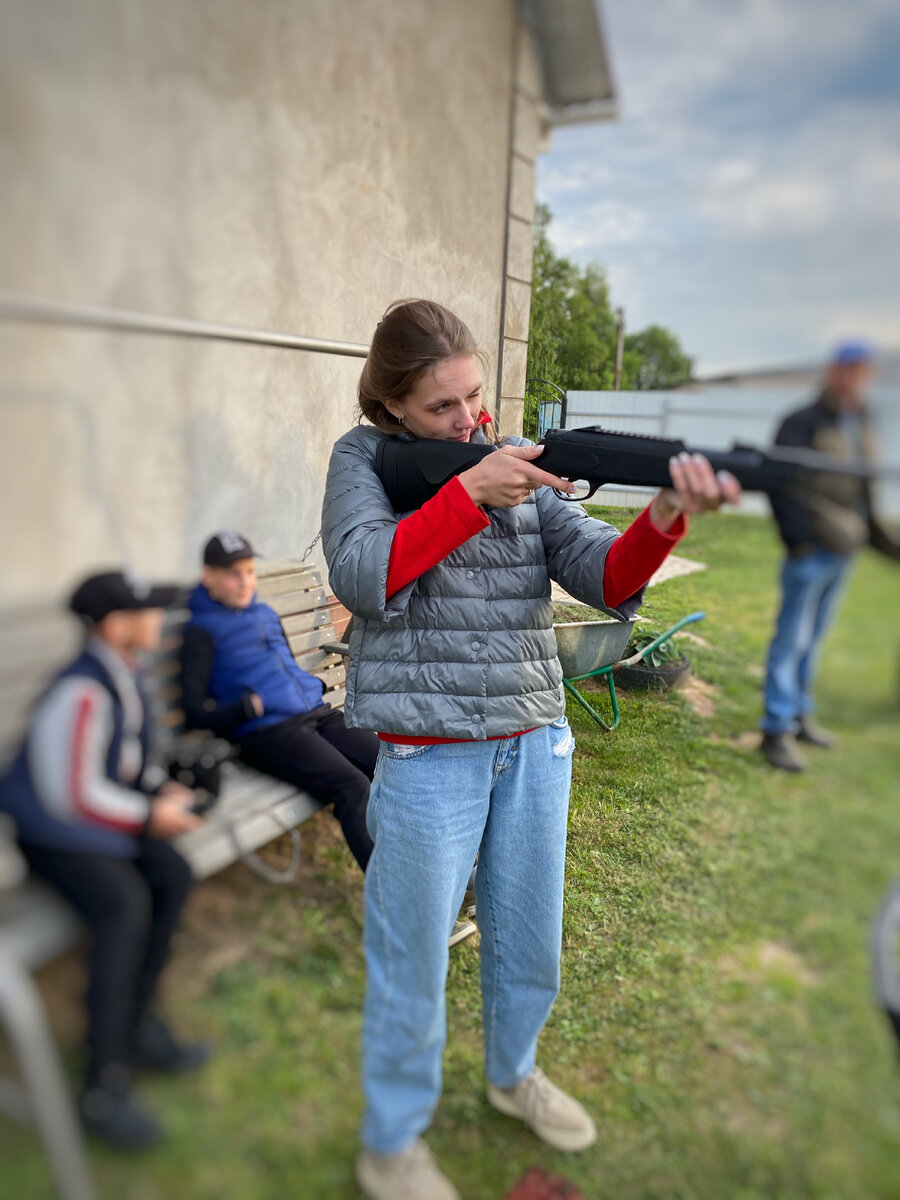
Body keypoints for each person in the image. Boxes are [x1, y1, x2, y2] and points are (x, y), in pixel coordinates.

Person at [321, 299, 741, 1200]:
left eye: (474, 396)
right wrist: (467, 495)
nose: (469, 420)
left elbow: (605, 575)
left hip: (534, 741)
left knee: (529, 943)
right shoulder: (363, 459)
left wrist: (666, 512)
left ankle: (514, 1076)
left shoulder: (514, 457)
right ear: (393, 407)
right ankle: (392, 1142)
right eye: (441, 409)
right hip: (429, 753)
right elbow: (361, 572)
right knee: (413, 957)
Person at [0, 571, 208, 1150]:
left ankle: (138, 1021)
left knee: (173, 872)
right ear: (116, 627)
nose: (157, 621)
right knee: (124, 903)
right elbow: (72, 793)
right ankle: (102, 1083)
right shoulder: (82, 691)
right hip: (49, 832)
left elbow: (126, 761)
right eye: (146, 613)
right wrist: (147, 816)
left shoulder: (125, 674)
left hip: (91, 816)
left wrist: (157, 791)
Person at [180, 531, 378, 874]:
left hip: (314, 714)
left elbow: (284, 665)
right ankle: (392, 902)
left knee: (387, 764)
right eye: (232, 573)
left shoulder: (264, 614)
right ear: (208, 576)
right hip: (269, 730)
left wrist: (306, 684)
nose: (244, 582)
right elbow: (193, 713)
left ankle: (431, 870)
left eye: (249, 571)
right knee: (352, 786)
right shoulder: (201, 631)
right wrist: (242, 709)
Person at [761, 342, 900, 771]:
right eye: (849, 370)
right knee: (791, 639)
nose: (855, 380)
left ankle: (800, 715)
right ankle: (776, 729)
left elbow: (863, 493)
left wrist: (884, 544)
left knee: (815, 637)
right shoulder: (803, 422)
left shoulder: (861, 422)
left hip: (843, 550)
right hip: (811, 551)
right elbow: (780, 484)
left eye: (863, 372)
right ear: (834, 371)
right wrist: (800, 542)